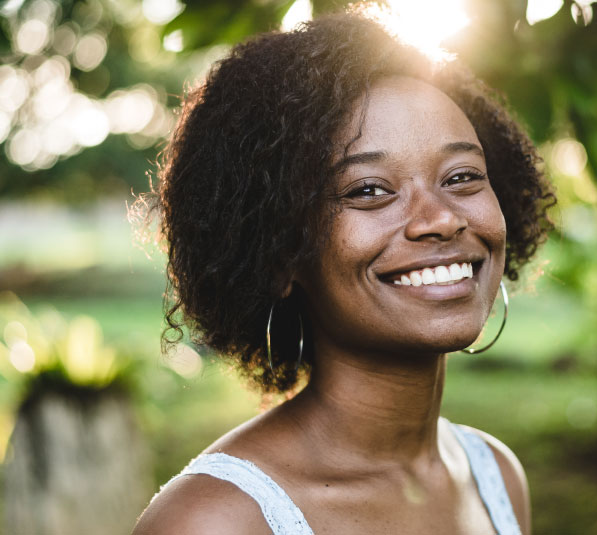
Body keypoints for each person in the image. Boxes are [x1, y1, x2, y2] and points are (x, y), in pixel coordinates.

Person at [132, 7, 553, 535]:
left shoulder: (496, 476)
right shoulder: (217, 522)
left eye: (463, 176)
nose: (441, 219)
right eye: (369, 190)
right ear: (280, 250)